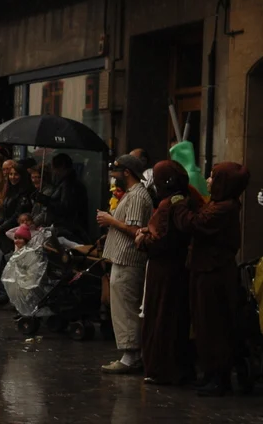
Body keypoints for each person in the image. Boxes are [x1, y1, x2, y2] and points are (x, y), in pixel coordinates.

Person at [175, 161, 251, 396]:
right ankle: (210, 373)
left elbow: (194, 223)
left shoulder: (224, 208)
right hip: (206, 270)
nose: (208, 181)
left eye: (213, 177)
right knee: (203, 323)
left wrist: (178, 204)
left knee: (214, 325)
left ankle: (219, 377)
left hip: (214, 274)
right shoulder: (220, 204)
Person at [134, 161, 195, 386]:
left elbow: (162, 239)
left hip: (164, 270)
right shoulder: (184, 199)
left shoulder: (170, 204)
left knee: (162, 317)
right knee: (173, 317)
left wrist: (143, 240)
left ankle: (161, 368)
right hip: (175, 268)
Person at [98, 153, 153, 375]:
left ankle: (131, 356)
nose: (114, 177)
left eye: (116, 173)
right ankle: (130, 354)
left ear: (127, 173)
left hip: (128, 260)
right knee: (122, 307)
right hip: (121, 258)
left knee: (126, 308)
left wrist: (110, 220)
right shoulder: (131, 194)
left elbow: (135, 230)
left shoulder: (137, 196)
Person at [34, 153, 89, 241]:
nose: (54, 172)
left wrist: (46, 200)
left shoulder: (69, 185)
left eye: (54, 168)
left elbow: (65, 208)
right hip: (63, 228)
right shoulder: (63, 183)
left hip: (67, 230)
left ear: (61, 167)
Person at [0, 161, 36, 251]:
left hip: (16, 232)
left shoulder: (25, 192)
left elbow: (17, 214)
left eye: (16, 174)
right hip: (5, 229)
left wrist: (0, 228)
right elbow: (6, 211)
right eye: (11, 174)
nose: (12, 177)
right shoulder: (10, 190)